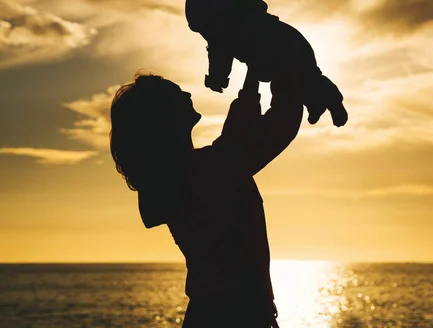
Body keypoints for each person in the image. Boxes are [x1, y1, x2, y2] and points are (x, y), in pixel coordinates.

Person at [109, 62, 304, 327]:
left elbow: (236, 138)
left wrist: (254, 76)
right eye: (177, 94)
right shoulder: (207, 171)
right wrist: (287, 68)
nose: (187, 95)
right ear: (163, 117)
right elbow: (281, 123)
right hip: (235, 317)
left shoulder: (177, 176)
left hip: (214, 313)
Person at [185, 0, 348, 127]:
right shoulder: (220, 38)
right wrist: (217, 78)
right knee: (294, 84)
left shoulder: (241, 19)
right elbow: (219, 59)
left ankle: (333, 101)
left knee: (308, 76)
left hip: (290, 45)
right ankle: (315, 105)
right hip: (276, 59)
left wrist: (252, 65)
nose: (207, 33)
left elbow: (256, 39)